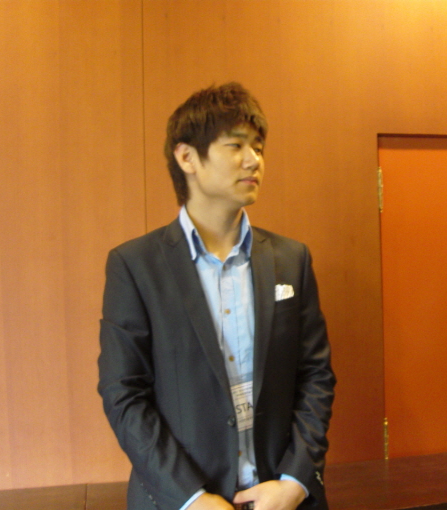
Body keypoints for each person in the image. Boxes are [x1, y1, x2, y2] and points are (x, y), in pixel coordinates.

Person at [98, 82, 335, 510]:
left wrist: (295, 481)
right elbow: (124, 395)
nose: (254, 159)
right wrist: (190, 498)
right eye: (236, 145)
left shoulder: (290, 259)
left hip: (283, 500)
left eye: (258, 147)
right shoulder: (135, 266)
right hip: (180, 502)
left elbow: (316, 376)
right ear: (186, 157)